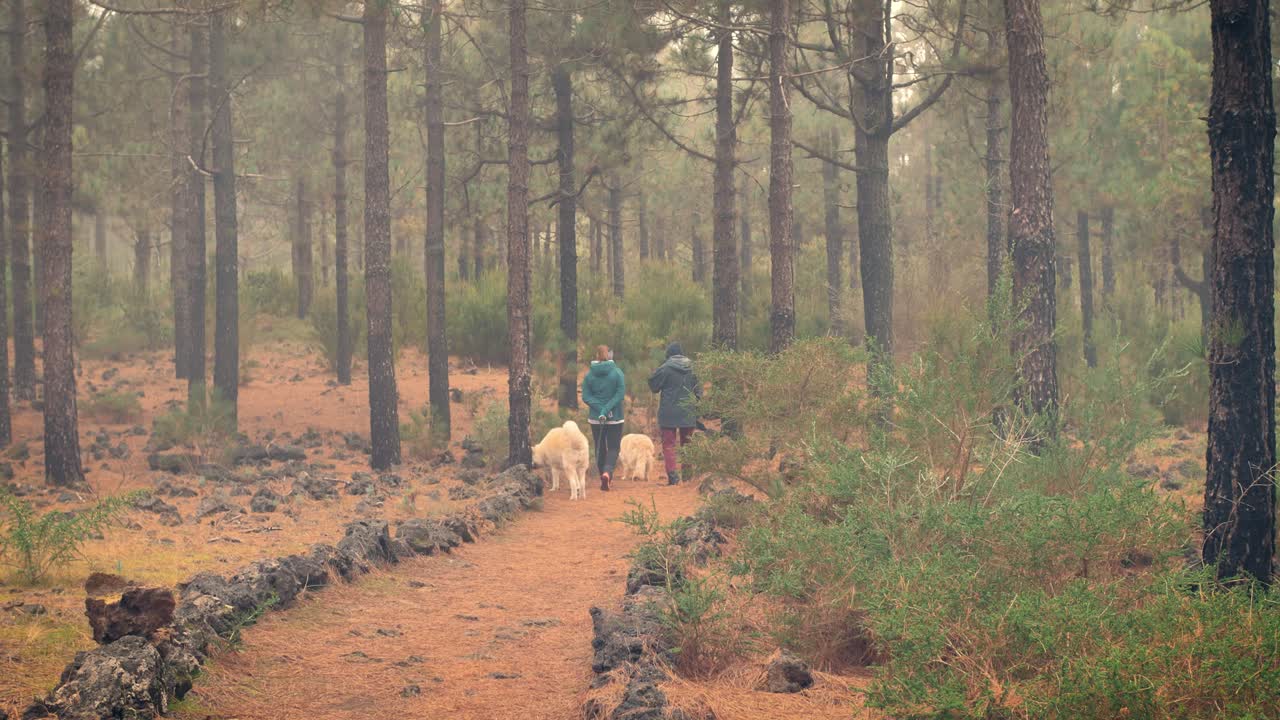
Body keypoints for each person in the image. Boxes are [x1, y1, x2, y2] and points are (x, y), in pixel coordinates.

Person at [648, 342, 701, 485]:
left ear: (669, 355)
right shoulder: (693, 368)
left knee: (669, 445)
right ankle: (688, 477)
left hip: (668, 412)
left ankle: (673, 478)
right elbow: (698, 392)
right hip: (688, 411)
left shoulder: (665, 368)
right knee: (687, 444)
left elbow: (654, 386)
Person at [581, 345, 625, 491]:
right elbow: (619, 394)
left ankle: (602, 476)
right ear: (609, 355)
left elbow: (586, 396)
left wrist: (600, 410)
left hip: (596, 418)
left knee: (599, 447)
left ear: (596, 355)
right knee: (613, 447)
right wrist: (606, 410)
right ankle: (607, 473)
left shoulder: (589, 375)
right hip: (615, 417)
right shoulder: (617, 373)